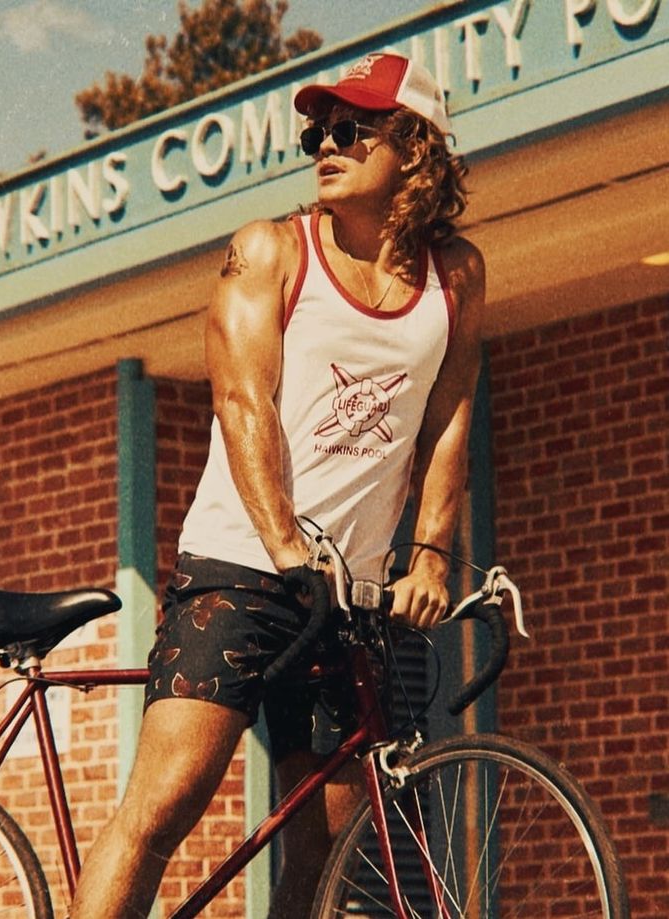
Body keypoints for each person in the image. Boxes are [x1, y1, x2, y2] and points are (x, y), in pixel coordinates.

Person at [70, 51, 484, 919]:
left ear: (413, 148)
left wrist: (432, 555)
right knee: (164, 803)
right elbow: (240, 401)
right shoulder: (270, 251)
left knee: (327, 842)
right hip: (243, 568)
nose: (323, 144)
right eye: (316, 131)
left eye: (350, 129)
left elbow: (449, 418)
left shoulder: (456, 276)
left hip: (351, 589)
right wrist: (287, 545)